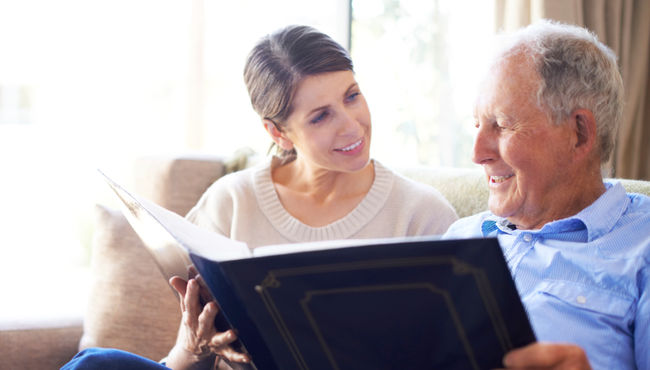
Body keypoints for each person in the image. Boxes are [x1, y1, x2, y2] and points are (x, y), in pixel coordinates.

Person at [63, 25, 458, 370]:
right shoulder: (230, 202)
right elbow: (181, 363)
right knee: (98, 364)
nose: (352, 125)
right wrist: (196, 344)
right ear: (278, 134)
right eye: (321, 116)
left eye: (352, 96)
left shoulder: (422, 216)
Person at [443, 20, 650, 369]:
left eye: (503, 125)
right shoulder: (459, 238)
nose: (477, 154)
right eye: (477, 125)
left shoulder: (641, 245)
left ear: (579, 133)